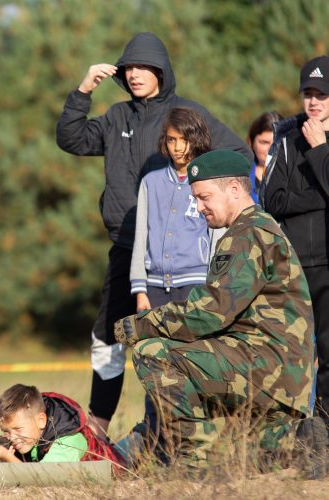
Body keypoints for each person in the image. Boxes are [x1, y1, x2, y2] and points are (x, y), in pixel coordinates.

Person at [56, 31, 253, 438]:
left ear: (161, 71)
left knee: (184, 341)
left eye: (143, 67)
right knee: (108, 335)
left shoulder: (185, 113)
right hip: (127, 246)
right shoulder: (115, 117)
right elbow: (71, 138)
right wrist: (83, 90)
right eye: (128, 68)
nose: (134, 75)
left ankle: (194, 429)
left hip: (182, 260)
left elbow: (239, 155)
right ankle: (98, 426)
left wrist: (199, 198)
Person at [114, 149, 321, 472]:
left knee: (152, 352)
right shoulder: (260, 227)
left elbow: (208, 314)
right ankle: (298, 441)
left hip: (268, 371)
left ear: (235, 190)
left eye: (204, 197)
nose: (198, 208)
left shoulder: (246, 235)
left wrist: (142, 325)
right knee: (253, 460)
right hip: (279, 375)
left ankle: (195, 463)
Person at [130, 107, 223, 435]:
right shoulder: (151, 182)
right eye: (171, 140)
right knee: (154, 368)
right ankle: (157, 440)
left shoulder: (208, 181)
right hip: (155, 289)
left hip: (194, 287)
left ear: (196, 140)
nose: (178, 147)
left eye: (184, 140)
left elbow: (216, 237)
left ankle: (198, 440)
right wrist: (140, 290)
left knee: (193, 366)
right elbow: (140, 236)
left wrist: (215, 286)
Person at [264, 55, 329, 431]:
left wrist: (320, 149)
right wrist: (319, 197)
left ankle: (324, 428)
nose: (314, 101)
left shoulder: (320, 140)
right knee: (292, 355)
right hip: (296, 266)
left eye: (322, 94)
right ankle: (290, 434)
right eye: (308, 93)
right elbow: (273, 199)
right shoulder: (286, 138)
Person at [0, 384, 124, 464]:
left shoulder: (67, 441)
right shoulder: (35, 435)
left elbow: (42, 476)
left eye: (17, 429)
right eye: (6, 432)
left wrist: (9, 458)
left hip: (122, 462)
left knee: (141, 441)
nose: (12, 438)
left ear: (41, 421)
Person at [246, 111, 283, 203]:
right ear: (251, 142)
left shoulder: (297, 177)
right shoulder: (240, 174)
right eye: (264, 142)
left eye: (277, 143)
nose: (271, 149)